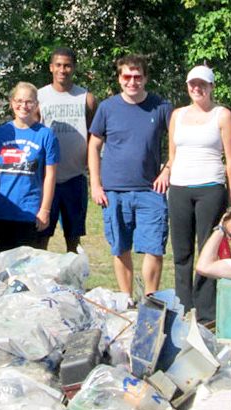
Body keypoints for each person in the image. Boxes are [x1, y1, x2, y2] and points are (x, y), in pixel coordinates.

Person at [88, 54, 173, 296]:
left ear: (145, 78)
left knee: (154, 247)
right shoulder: (107, 108)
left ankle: (151, 298)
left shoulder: (161, 106)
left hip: (151, 190)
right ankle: (126, 298)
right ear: (119, 78)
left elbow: (178, 141)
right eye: (127, 76)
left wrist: (167, 170)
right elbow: (93, 146)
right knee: (120, 247)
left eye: (137, 77)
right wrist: (95, 184)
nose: (132, 81)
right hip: (114, 191)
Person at [165, 65, 231, 323]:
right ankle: (183, 307)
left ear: (211, 87)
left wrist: (230, 197)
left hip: (211, 187)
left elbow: (230, 160)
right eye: (193, 84)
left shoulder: (222, 115)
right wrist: (167, 174)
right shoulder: (177, 115)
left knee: (209, 248)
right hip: (180, 187)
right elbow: (172, 156)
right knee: (181, 251)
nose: (197, 88)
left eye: (202, 84)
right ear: (187, 86)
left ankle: (207, 312)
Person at [0, 82, 59, 252]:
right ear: (11, 103)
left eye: (29, 101)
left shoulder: (46, 135)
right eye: (19, 101)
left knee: (26, 267)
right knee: (3, 264)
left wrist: (45, 210)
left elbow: (50, 176)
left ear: (36, 104)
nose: (23, 106)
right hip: (1, 210)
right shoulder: (0, 133)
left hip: (29, 211)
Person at [38, 47, 97, 253]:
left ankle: (74, 280)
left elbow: (93, 137)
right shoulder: (39, 97)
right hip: (47, 177)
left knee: (73, 238)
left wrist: (93, 170)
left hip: (75, 177)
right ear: (51, 68)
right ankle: (41, 279)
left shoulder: (86, 98)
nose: (63, 70)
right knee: (42, 235)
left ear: (74, 68)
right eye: (59, 65)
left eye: (68, 65)